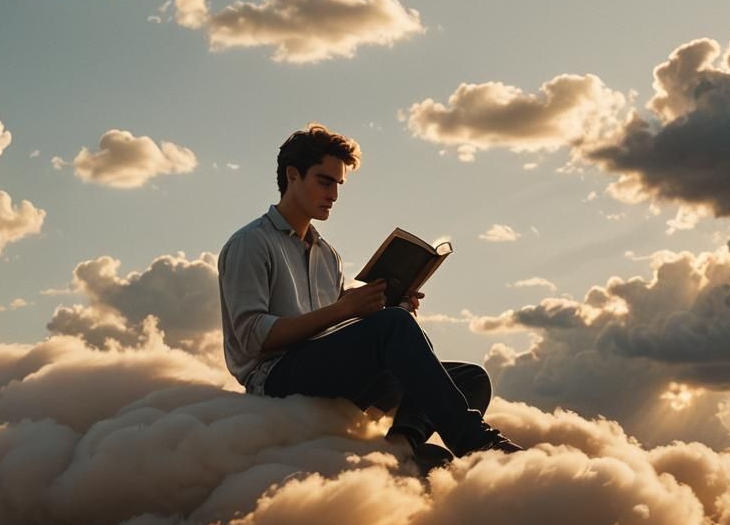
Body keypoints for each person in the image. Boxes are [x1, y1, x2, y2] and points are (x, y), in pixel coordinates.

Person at [217, 123, 522, 471]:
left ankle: (401, 446)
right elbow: (255, 338)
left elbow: (333, 329)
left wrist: (383, 305)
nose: (333, 194)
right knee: (392, 325)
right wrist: (348, 310)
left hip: (329, 372)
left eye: (338, 184)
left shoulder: (326, 253)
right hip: (275, 379)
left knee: (471, 377)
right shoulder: (251, 243)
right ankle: (477, 441)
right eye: (324, 181)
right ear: (292, 175)